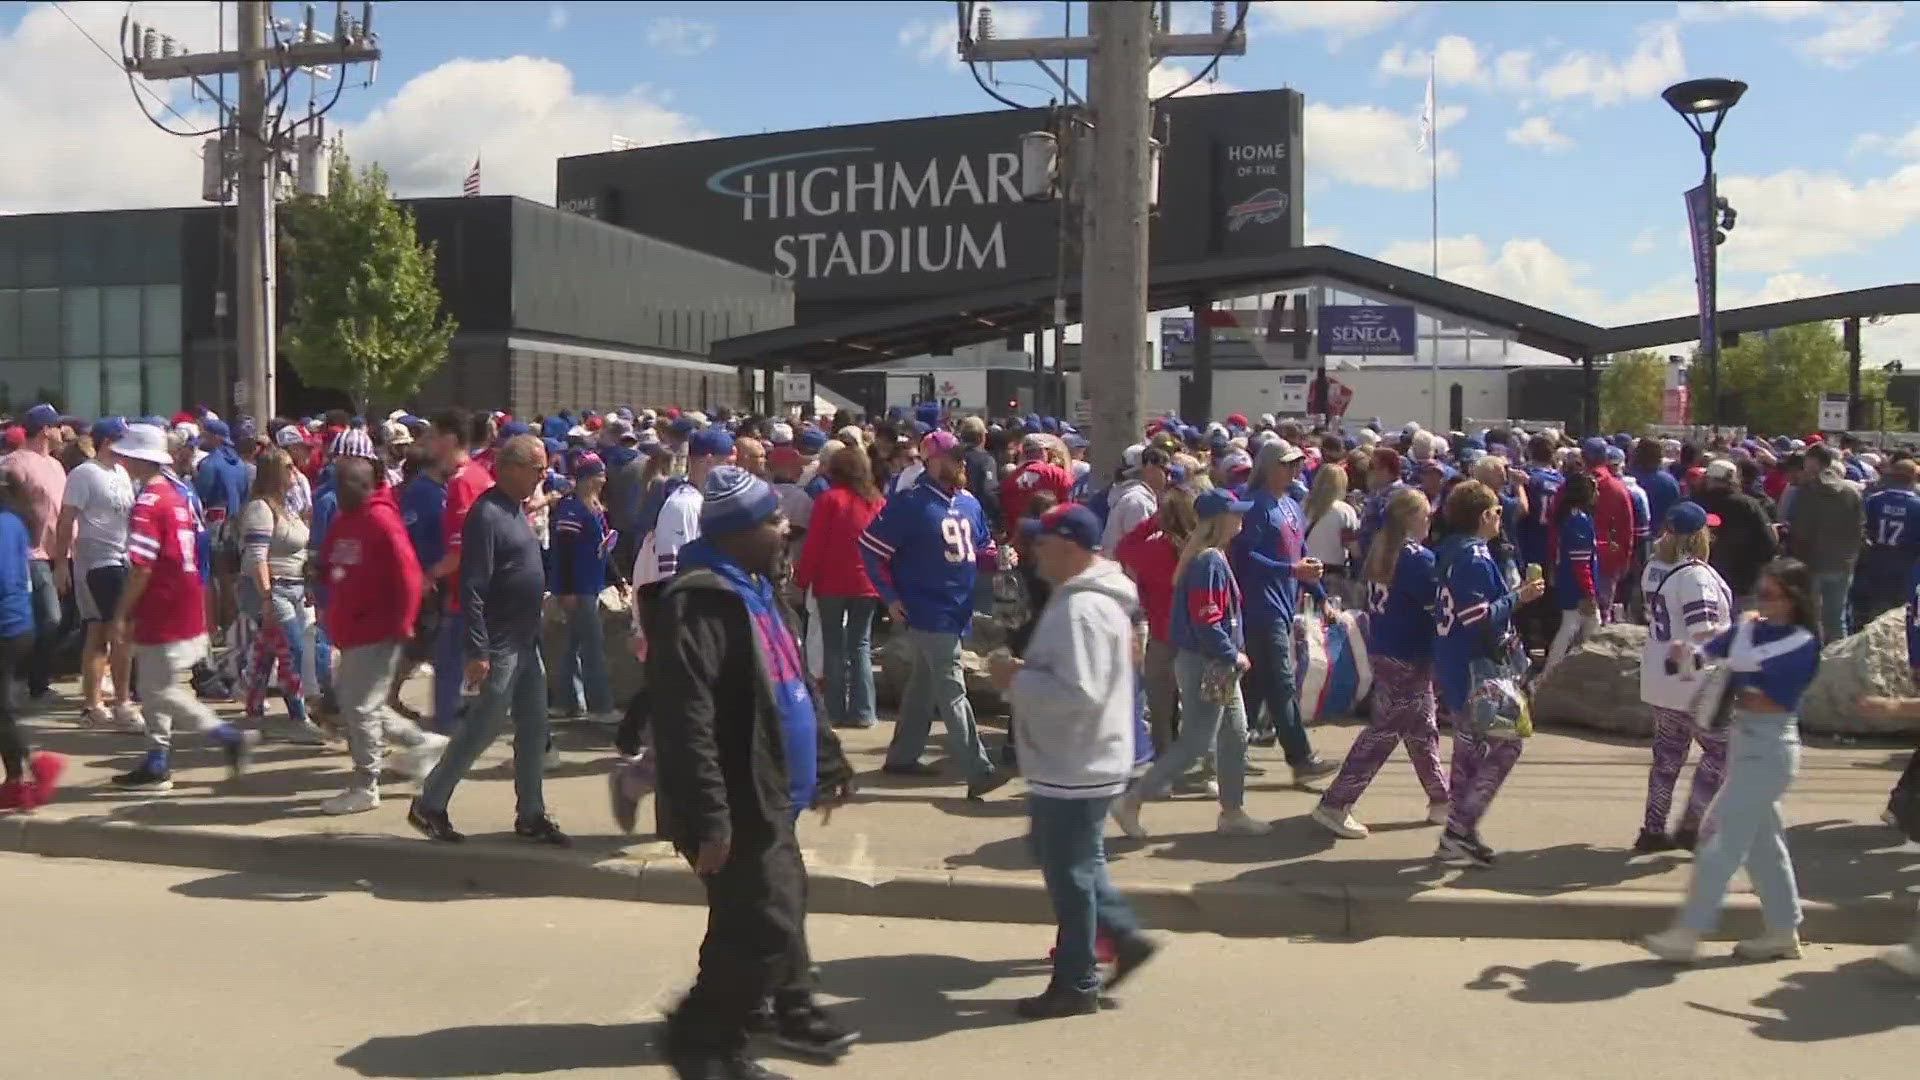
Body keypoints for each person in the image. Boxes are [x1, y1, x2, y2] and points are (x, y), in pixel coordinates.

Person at [650, 465, 857, 1078]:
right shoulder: (699, 603)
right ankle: (703, 1044)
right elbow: (687, 721)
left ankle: (786, 1009)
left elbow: (794, 684)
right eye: (771, 521)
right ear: (738, 532)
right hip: (737, 801)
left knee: (766, 912)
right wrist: (710, 819)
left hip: (775, 790)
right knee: (764, 919)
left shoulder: (761, 587)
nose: (785, 526)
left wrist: (827, 761)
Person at [986, 502, 1159, 1018]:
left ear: (1070, 547)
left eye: (1042, 542)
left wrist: (1014, 679)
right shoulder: (1092, 599)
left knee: (1071, 875)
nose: (1034, 550)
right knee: (1073, 860)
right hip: (1084, 758)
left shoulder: (1082, 607)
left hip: (1075, 762)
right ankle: (1121, 940)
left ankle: (1077, 982)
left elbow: (1078, 692)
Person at [1642, 558, 1821, 964]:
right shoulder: (1749, 630)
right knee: (1764, 845)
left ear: (1794, 599)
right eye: (1761, 593)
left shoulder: (1802, 642)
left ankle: (1689, 932)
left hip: (1771, 747)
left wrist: (1725, 661)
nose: (1764, 602)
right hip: (1744, 742)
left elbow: (1766, 692)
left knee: (1718, 839)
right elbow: (1701, 658)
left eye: (1772, 595)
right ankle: (1783, 931)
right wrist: (1686, 655)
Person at [410, 434, 570, 847]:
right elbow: (474, 586)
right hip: (499, 643)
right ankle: (430, 802)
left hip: (525, 639)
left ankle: (531, 813)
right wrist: (477, 650)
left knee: (535, 728)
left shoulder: (515, 510)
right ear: (513, 468)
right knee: (482, 728)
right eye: (537, 468)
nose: (543, 475)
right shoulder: (486, 514)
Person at [1111, 488, 1269, 839]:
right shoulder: (1208, 560)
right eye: (1236, 512)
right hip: (1207, 663)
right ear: (1219, 519)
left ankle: (1232, 811)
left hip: (1212, 663)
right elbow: (1206, 618)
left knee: (1234, 734)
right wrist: (1232, 654)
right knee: (1197, 742)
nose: (1242, 518)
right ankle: (1131, 801)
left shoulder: (1209, 556)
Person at [109, 423, 254, 792]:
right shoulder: (177, 494)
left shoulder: (147, 503)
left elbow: (141, 567)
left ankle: (224, 736)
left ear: (137, 458)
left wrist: (122, 612)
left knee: (161, 690)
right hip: (185, 598)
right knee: (157, 684)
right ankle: (156, 760)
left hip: (162, 604)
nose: (122, 460)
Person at [860, 430, 1003, 799]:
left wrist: (1000, 558)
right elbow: (870, 548)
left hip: (958, 608)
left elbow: (982, 549)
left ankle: (903, 756)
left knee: (923, 686)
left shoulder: (969, 503)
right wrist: (889, 597)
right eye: (954, 457)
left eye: (961, 457)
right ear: (932, 461)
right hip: (927, 608)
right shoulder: (911, 503)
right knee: (952, 689)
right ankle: (979, 768)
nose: (961, 463)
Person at [1313, 487, 1450, 839]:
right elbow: (1436, 604)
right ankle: (1336, 802)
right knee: (1384, 733)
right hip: (1408, 652)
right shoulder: (1417, 558)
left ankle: (1441, 799)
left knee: (1422, 730)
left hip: (1387, 649)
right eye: (1424, 513)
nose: (1429, 519)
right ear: (1409, 518)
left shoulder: (1382, 549)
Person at [315, 456, 449, 814]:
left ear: (365, 486)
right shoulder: (345, 520)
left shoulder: (381, 520)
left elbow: (409, 579)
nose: (339, 492)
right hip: (352, 629)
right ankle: (422, 742)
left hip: (377, 630)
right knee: (359, 703)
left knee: (359, 707)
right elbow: (330, 563)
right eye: (336, 484)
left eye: (347, 485)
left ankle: (365, 783)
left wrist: (402, 623)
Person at [1431, 480, 1547, 867]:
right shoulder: (1475, 558)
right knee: (1507, 745)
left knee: (1469, 752)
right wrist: (1521, 597)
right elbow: (1475, 618)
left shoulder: (1450, 550)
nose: (1502, 517)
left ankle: (1457, 833)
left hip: (1455, 663)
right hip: (1476, 668)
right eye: (1498, 511)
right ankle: (1459, 829)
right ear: (1483, 516)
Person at [1229, 440, 1335, 782]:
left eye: (1297, 464)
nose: (1294, 471)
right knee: (1281, 684)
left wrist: (1320, 595)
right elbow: (1246, 558)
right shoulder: (1256, 506)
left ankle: (1228, 752)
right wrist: (1292, 572)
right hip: (1261, 608)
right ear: (1269, 466)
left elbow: (1301, 553)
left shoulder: (1291, 505)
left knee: (1255, 687)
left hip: (1283, 606)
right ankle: (1301, 758)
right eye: (1287, 464)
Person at [1635, 501, 1734, 853]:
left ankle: (1652, 829)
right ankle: (1692, 826)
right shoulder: (1696, 576)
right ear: (1697, 536)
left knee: (1666, 758)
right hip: (1695, 681)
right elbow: (1704, 631)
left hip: (1661, 677)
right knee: (1724, 751)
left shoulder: (1654, 567)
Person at [51, 417, 139, 730]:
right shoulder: (84, 474)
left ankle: (94, 704)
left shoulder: (121, 473)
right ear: (106, 442)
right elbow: (66, 520)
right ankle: (119, 703)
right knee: (115, 631)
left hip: (121, 558)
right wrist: (62, 563)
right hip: (97, 561)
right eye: (121, 440)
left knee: (101, 631)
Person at [793, 446, 884, 731]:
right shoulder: (878, 502)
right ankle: (865, 711)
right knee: (861, 646)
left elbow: (815, 545)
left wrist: (801, 579)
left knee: (833, 646)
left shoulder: (829, 500)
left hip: (831, 583)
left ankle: (834, 711)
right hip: (867, 583)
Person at [238, 448, 326, 744]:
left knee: (268, 652)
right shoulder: (260, 509)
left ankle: (253, 712)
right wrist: (266, 598)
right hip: (273, 588)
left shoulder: (286, 506)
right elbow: (257, 557)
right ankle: (297, 717)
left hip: (295, 588)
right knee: (292, 652)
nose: (295, 471)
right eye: (288, 467)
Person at [1114, 486, 1198, 760]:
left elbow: (1122, 548)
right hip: (1198, 639)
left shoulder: (1153, 549)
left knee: (1161, 711)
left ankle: (1165, 765)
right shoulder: (1203, 551)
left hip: (1163, 637)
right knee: (1198, 710)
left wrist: (1151, 523)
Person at [429, 410, 495, 735]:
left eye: (434, 436)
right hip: (483, 591)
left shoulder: (461, 484)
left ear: (451, 439)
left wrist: (425, 576)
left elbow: (458, 552)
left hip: (464, 596)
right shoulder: (481, 475)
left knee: (448, 671)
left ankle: (445, 741)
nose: (430, 444)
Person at [0, 469, 62, 811]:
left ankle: (33, 768)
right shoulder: (14, 522)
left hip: (6, 626)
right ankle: (17, 779)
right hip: (18, 625)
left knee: (3, 709)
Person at [2, 404, 67, 699]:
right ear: (45, 430)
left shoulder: (55, 464)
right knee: (49, 618)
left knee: (61, 621)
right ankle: (32, 681)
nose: (61, 432)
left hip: (61, 555)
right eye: (57, 426)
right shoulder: (14, 463)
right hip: (31, 553)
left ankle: (34, 677)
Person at [549, 452, 619, 724]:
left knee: (574, 644)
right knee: (592, 647)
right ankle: (600, 706)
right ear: (587, 478)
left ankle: (567, 701)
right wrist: (565, 590)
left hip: (591, 582)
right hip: (579, 587)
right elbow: (563, 552)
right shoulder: (572, 510)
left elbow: (603, 545)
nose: (603, 480)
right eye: (599, 475)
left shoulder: (593, 506)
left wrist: (616, 577)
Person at [1786, 443, 1863, 642]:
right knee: (1837, 619)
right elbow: (1859, 529)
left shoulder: (1805, 492)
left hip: (1812, 563)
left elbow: (1798, 531)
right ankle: (1839, 661)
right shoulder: (1852, 492)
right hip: (1843, 563)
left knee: (1810, 618)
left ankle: (1812, 662)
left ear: (1813, 462)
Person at [1695, 458, 1777, 613]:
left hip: (1702, 582)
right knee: (1741, 631)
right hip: (1744, 582)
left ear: (1708, 479)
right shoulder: (1749, 505)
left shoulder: (1696, 504)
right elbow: (1769, 543)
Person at [1541, 472, 1599, 677]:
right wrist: (1589, 593)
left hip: (1567, 582)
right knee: (1575, 630)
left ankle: (1574, 674)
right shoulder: (1578, 520)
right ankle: (1548, 676)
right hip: (1576, 588)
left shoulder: (1567, 516)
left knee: (1576, 631)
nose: (1597, 494)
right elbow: (1580, 563)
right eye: (1594, 489)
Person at [1854, 458, 1920, 627]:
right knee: (1900, 616)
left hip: (1877, 561)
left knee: (1876, 614)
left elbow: (1862, 530)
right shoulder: (1917, 505)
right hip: (1906, 566)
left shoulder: (1875, 500)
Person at [1302, 458, 1361, 608]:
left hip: (1304, 575)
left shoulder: (1302, 506)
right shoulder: (1344, 511)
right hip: (1333, 577)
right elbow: (1353, 548)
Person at [1100, 447, 1171, 555]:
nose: (1169, 478)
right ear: (1150, 467)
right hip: (1124, 569)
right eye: (1165, 471)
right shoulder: (1137, 501)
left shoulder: (1133, 495)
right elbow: (1139, 550)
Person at [1000, 433, 1074, 527]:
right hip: (1052, 535)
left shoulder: (1009, 480)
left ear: (1024, 454)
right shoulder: (1057, 474)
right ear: (1043, 452)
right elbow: (1069, 505)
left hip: (1019, 536)